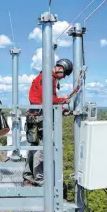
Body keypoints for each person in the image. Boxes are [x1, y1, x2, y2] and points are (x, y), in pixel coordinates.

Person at [23, 58, 73, 186]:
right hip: (39, 117)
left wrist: (61, 109)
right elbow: (47, 98)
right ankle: (39, 180)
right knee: (41, 149)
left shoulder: (46, 77)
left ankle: (28, 176)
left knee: (34, 147)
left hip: (35, 116)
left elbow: (49, 99)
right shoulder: (47, 78)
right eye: (64, 75)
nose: (62, 78)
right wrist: (63, 101)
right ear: (60, 69)